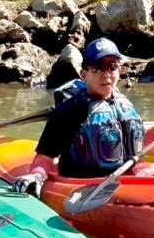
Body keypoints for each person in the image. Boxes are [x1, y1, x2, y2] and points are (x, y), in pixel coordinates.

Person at [27, 38, 146, 180]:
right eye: (97, 69)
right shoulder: (69, 112)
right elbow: (44, 158)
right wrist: (36, 176)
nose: (106, 75)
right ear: (84, 75)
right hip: (84, 187)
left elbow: (139, 137)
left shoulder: (125, 104)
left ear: (119, 71)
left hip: (127, 179)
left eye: (112, 67)